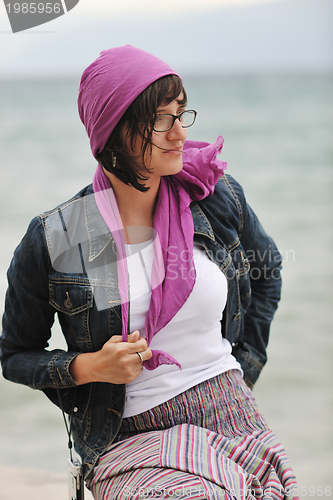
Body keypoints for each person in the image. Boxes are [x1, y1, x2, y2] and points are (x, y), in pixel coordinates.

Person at [0, 45, 298, 499]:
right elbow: (16, 354)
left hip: (232, 413)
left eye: (182, 114)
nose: (180, 133)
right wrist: (90, 366)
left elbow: (268, 270)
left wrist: (242, 369)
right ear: (117, 130)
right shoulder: (65, 233)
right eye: (163, 120)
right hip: (127, 435)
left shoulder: (212, 198)